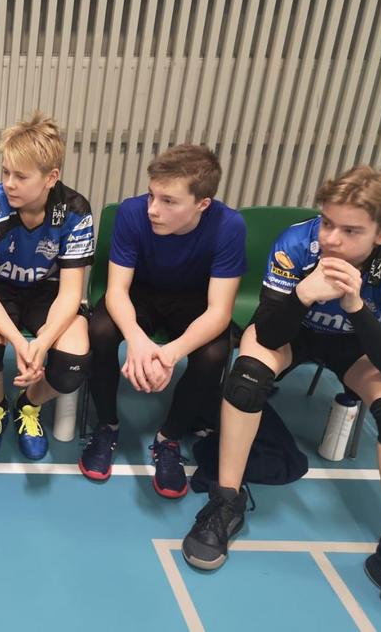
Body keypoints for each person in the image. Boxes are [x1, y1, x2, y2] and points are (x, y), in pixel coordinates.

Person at [182, 166, 381, 593]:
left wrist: (354, 305)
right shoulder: (297, 244)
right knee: (246, 377)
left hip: (358, 343)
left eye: (351, 231)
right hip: (293, 333)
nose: (332, 239)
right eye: (328, 222)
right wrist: (305, 294)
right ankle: (226, 502)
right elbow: (269, 331)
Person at [80, 145, 246, 498]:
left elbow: (219, 311)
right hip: (140, 293)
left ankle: (169, 438)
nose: (153, 209)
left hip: (194, 299)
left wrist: (170, 353)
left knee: (215, 353)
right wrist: (137, 340)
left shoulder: (229, 226)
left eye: (168, 201)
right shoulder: (132, 213)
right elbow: (116, 291)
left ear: (202, 204)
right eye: (152, 195)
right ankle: (107, 425)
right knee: (101, 330)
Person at [0, 112, 94, 461]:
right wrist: (21, 344)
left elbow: (71, 292)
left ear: (51, 177)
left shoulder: (75, 210)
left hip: (47, 292)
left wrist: (43, 343)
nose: (9, 183)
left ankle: (29, 405)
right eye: (5, 172)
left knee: (74, 363)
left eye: (21, 176)